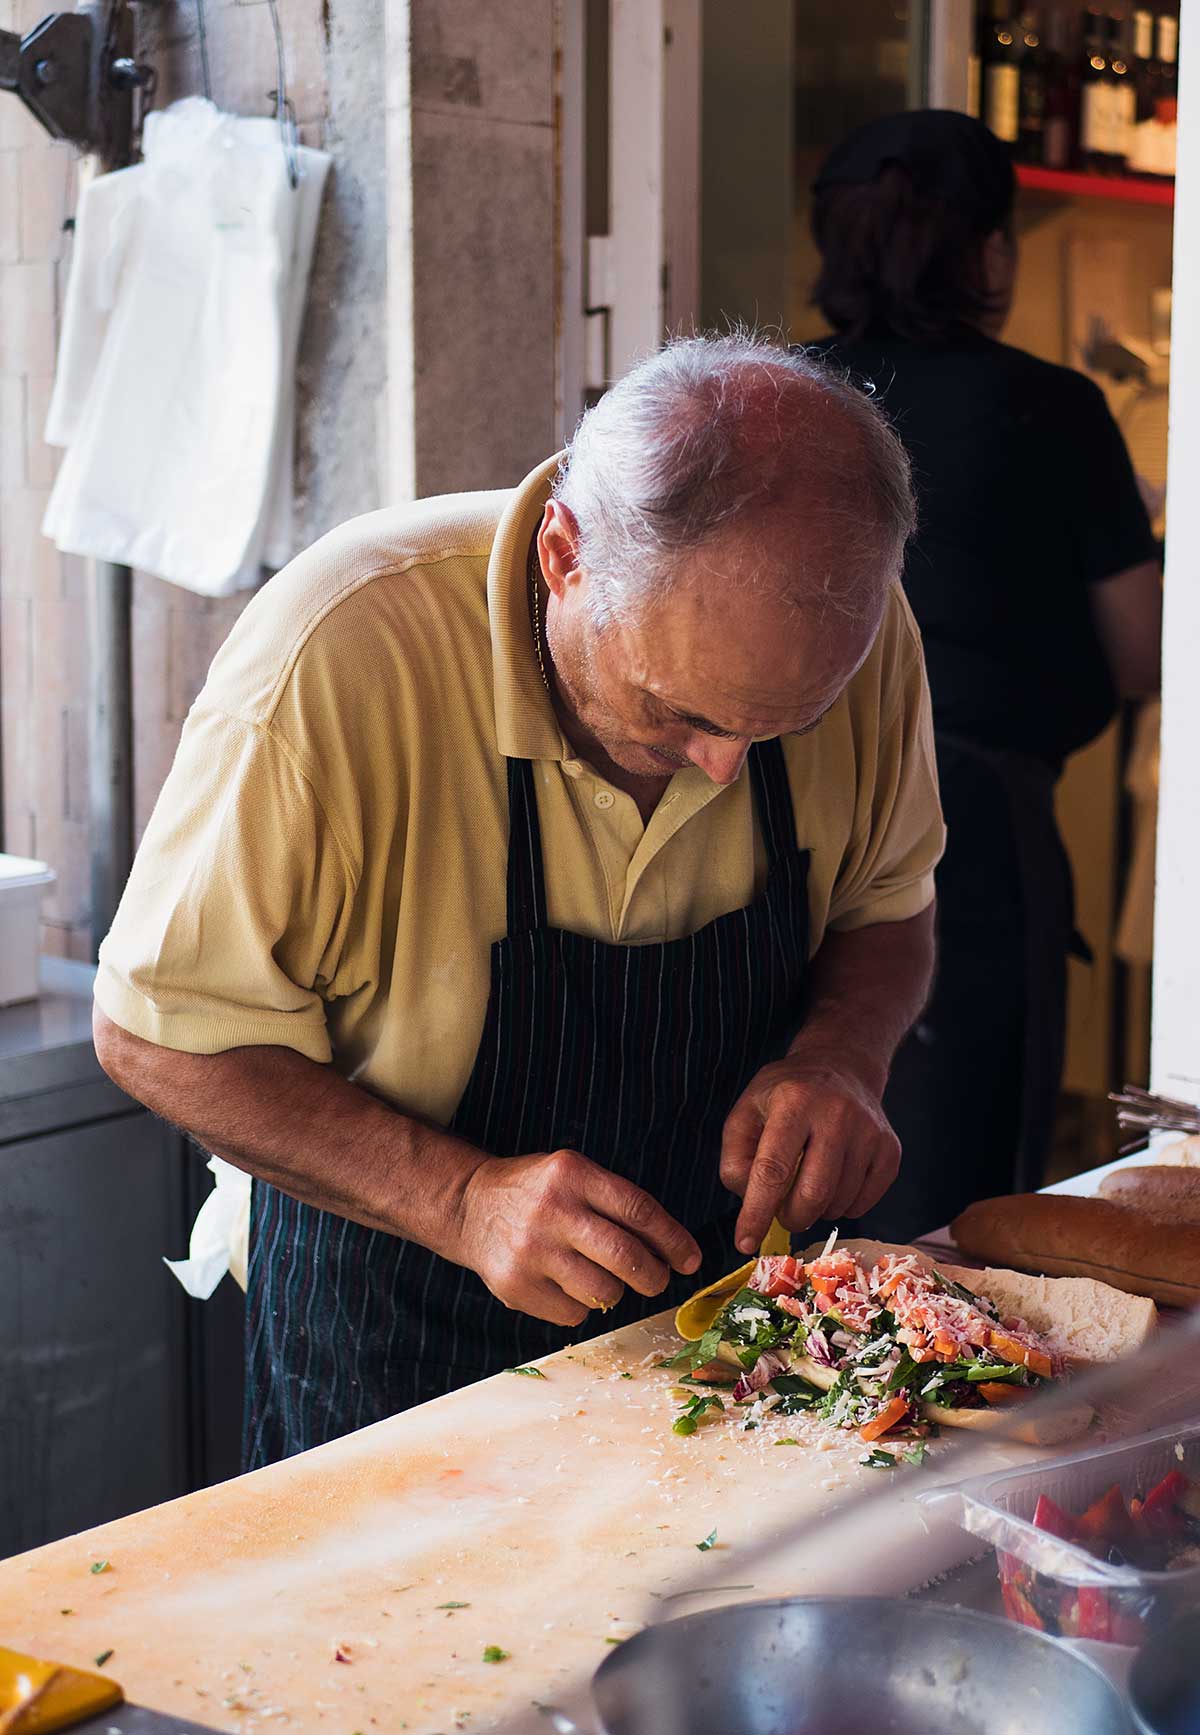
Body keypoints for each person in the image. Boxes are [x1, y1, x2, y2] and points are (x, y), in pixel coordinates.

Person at [92, 334, 944, 1467]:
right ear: (564, 553)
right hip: (395, 1320)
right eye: (677, 710)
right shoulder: (339, 654)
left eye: (777, 726)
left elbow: (889, 906)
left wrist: (844, 1054)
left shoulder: (856, 641)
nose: (724, 769)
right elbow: (157, 1034)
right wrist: (458, 1200)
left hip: (718, 1326)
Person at [806, 110, 1162, 1240]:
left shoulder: (776, 400)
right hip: (973, 830)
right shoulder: (1050, 410)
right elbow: (1144, 648)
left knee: (777, 1151)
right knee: (956, 1198)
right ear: (992, 252)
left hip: (765, 812)